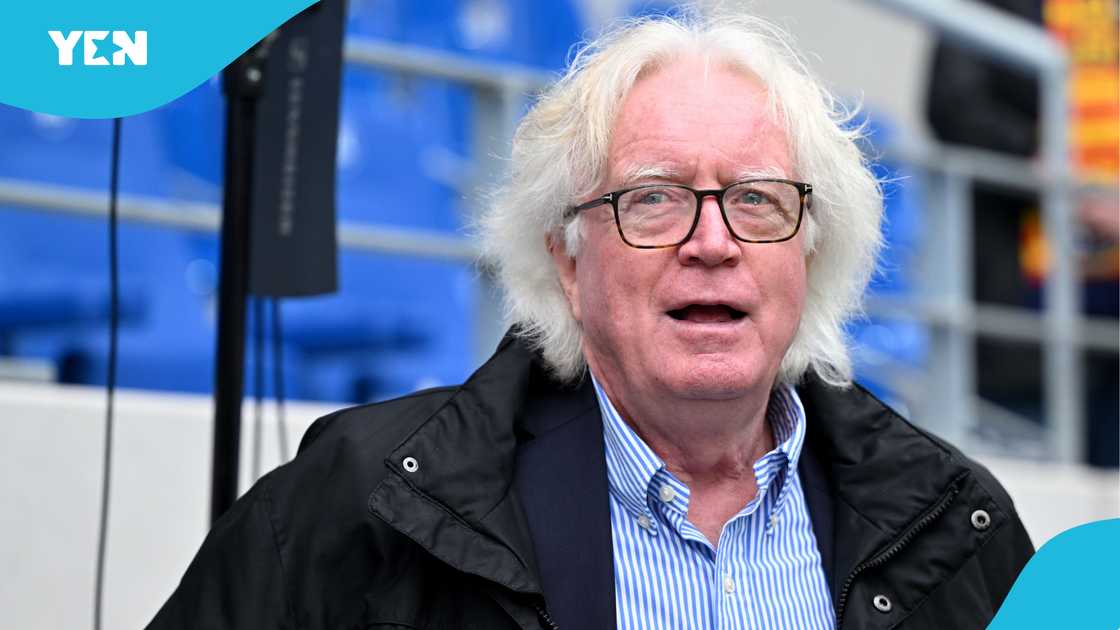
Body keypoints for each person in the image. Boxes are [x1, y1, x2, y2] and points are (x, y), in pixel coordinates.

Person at [149, 11, 1033, 630]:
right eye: (654, 199)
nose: (713, 242)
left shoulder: (956, 528)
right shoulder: (360, 505)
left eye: (758, 201)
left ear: (811, 252)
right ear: (567, 262)